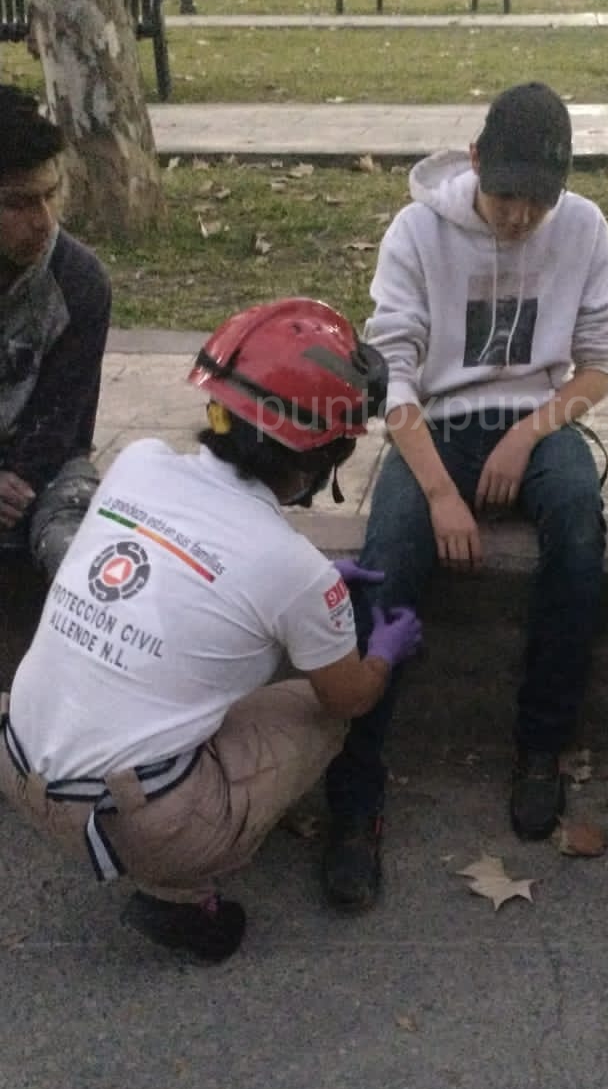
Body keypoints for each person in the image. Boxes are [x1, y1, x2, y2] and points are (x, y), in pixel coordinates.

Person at [0, 298, 422, 962]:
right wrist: (383, 654)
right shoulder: (292, 569)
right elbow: (348, 696)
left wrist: (309, 590)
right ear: (325, 454)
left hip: (17, 756)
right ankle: (183, 893)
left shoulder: (139, 461)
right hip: (141, 820)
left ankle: (157, 812)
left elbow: (196, 569)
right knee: (318, 710)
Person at [323, 81, 608, 913]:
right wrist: (438, 491)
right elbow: (392, 375)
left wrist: (530, 433)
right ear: (474, 161)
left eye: (540, 198)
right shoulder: (418, 230)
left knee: (577, 526)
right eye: (506, 193)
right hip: (434, 424)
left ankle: (540, 746)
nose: (521, 216)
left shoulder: (585, 229)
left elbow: (597, 362)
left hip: (536, 415)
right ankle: (354, 794)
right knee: (385, 559)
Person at [0, 85, 111, 581]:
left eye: (50, 195)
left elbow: (62, 420)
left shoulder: (78, 281)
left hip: (45, 468)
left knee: (74, 541)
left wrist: (16, 478)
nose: (42, 221)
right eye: (18, 203)